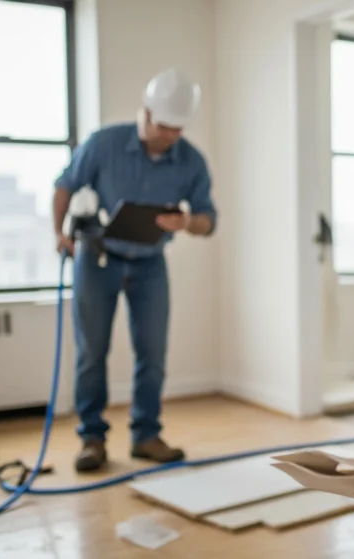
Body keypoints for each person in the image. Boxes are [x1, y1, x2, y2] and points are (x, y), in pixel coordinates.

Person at [52, 68, 217, 472]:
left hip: (150, 263)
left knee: (153, 353)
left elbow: (208, 219)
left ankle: (146, 436)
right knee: (92, 351)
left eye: (177, 129)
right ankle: (92, 439)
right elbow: (65, 184)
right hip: (98, 257)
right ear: (145, 113)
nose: (169, 136)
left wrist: (187, 223)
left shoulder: (191, 161)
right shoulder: (103, 144)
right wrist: (59, 233)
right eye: (163, 126)